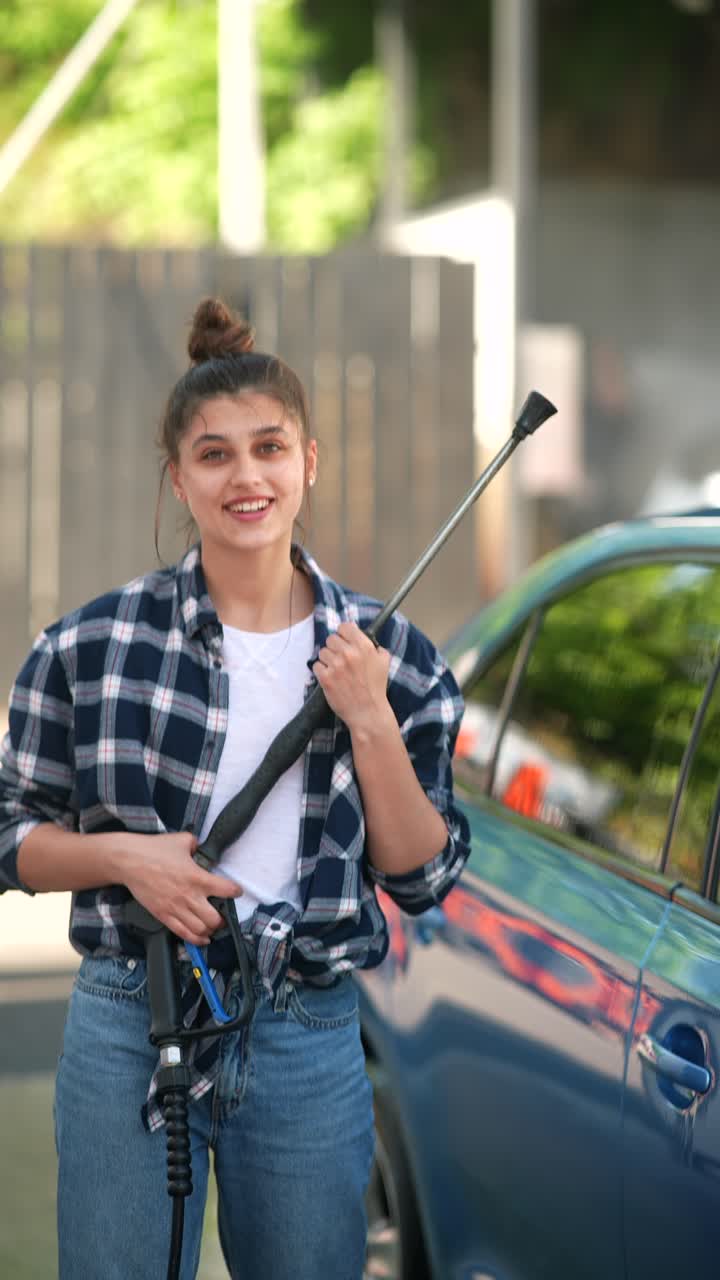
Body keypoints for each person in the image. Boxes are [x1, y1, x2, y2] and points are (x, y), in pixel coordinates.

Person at [0, 297, 471, 1280]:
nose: (246, 475)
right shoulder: (94, 645)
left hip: (307, 1028)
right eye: (214, 454)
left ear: (310, 458)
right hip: (134, 1010)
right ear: (178, 476)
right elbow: (10, 827)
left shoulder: (395, 656)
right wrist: (124, 857)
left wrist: (371, 718)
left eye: (269, 447)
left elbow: (422, 874)